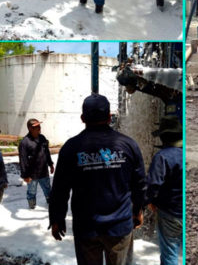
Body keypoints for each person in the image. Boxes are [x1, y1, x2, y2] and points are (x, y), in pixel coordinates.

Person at [48, 94, 146, 265]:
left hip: (86, 228)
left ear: (82, 118)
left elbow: (60, 189)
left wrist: (57, 219)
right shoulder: (129, 145)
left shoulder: (71, 148)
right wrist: (138, 210)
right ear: (109, 117)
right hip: (119, 226)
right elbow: (139, 184)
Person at [146, 117, 183, 265]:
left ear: (163, 137)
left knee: (170, 253)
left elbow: (153, 185)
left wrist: (147, 202)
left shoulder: (162, 157)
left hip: (170, 214)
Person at [18, 118, 54, 209]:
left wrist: (50, 164)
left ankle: (50, 202)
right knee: (32, 191)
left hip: (43, 171)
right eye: (36, 126)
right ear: (30, 128)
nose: (39, 128)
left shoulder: (42, 138)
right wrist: (25, 175)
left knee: (48, 189)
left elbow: (47, 152)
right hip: (32, 174)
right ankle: (31, 205)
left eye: (39, 126)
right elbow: (23, 160)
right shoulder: (25, 142)